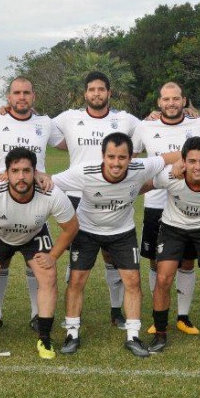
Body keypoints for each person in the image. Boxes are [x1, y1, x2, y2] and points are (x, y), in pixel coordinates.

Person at [50, 132, 180, 358]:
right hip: (86, 230)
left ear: (131, 158)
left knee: (132, 281)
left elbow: (170, 157)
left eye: (122, 157)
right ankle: (72, 333)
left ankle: (132, 336)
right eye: (111, 157)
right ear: (103, 156)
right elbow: (50, 182)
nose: (116, 163)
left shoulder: (141, 167)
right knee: (77, 279)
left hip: (122, 232)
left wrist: (194, 158)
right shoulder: (84, 171)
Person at [0, 147, 79, 359]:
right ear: (6, 174)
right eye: (15, 171)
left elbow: (71, 227)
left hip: (33, 234)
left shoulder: (51, 193)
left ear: (36, 172)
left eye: (26, 170)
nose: (21, 176)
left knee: (48, 274)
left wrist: (53, 256)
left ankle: (44, 338)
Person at [0, 77, 57, 330]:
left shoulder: (46, 123)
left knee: (38, 261)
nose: (22, 97)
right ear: (9, 97)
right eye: (17, 92)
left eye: (27, 92)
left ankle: (38, 315)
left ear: (34, 96)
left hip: (34, 200)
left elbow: (75, 141)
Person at [51, 71, 140, 329]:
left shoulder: (124, 119)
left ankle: (116, 311)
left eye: (101, 89)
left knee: (112, 257)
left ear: (109, 93)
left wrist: (158, 116)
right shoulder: (69, 118)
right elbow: (41, 128)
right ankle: (71, 314)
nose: (96, 94)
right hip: (76, 197)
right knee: (76, 260)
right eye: (92, 89)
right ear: (85, 94)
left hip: (113, 195)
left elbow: (148, 129)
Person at [131, 82, 200, 336]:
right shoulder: (145, 126)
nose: (171, 103)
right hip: (156, 203)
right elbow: (132, 157)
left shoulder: (199, 125)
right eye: (166, 99)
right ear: (159, 102)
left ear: (184, 100)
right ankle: (158, 318)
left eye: (176, 98)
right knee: (158, 263)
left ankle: (183, 316)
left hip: (192, 204)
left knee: (186, 262)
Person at [145, 137, 200, 354]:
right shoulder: (169, 176)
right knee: (163, 277)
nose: (198, 167)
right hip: (172, 228)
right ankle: (160, 334)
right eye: (192, 161)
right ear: (183, 161)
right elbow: (144, 185)